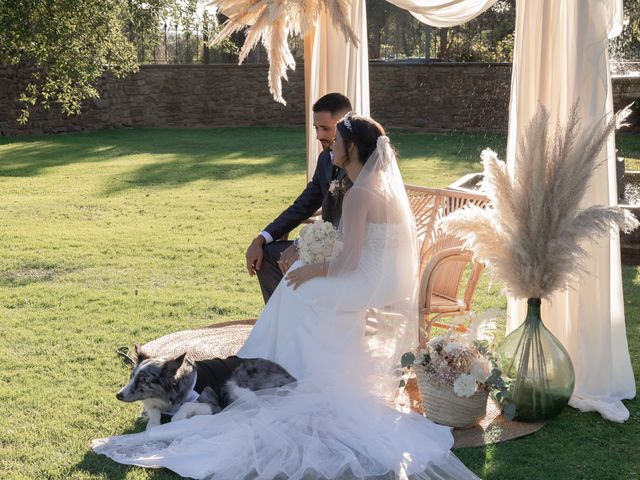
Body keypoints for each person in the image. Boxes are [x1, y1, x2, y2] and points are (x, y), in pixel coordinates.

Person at [92, 114, 479, 480]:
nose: (331, 147)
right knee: (297, 279)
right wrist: (308, 253)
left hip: (369, 281)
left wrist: (313, 266)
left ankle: (295, 372)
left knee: (300, 290)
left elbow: (352, 259)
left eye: (337, 141)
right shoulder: (363, 185)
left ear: (354, 149)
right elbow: (349, 246)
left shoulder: (361, 194)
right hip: (375, 274)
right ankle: (272, 364)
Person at [246, 93, 352, 303]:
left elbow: (351, 230)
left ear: (343, 127)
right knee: (267, 256)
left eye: (325, 129)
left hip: (348, 254)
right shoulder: (324, 160)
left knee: (291, 258)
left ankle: (308, 321)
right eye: (316, 128)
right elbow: (302, 206)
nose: (319, 136)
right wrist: (261, 238)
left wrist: (303, 248)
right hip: (324, 244)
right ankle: (283, 321)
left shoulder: (361, 168)